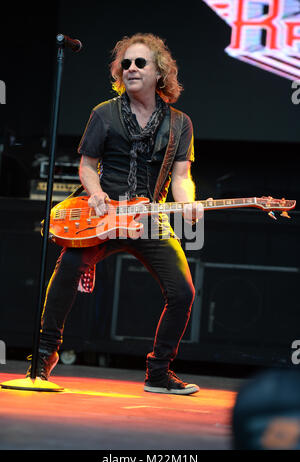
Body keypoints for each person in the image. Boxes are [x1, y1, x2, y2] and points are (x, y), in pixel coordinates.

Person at [26, 32, 203, 395]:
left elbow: (182, 177)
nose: (132, 68)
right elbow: (88, 166)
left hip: (149, 217)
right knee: (68, 268)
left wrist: (188, 203)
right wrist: (95, 194)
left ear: (160, 73)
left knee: (183, 292)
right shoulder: (103, 114)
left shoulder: (180, 123)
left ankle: (158, 373)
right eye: (126, 63)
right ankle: (43, 357)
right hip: (103, 215)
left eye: (141, 63)